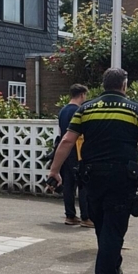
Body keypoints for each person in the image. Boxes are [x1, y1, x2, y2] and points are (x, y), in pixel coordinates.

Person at [48, 68, 138, 274]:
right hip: (121, 179)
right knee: (113, 231)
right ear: (124, 85)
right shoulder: (135, 109)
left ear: (104, 85)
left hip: (92, 179)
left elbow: (67, 140)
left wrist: (55, 170)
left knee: (104, 229)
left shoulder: (85, 109)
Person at [57, 84, 91, 227]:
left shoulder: (63, 111)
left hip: (65, 151)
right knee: (83, 185)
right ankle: (86, 217)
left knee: (68, 185)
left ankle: (70, 215)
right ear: (82, 94)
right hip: (77, 151)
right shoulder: (79, 111)